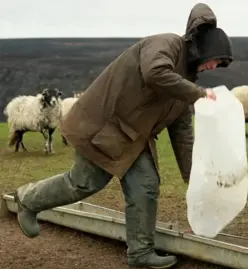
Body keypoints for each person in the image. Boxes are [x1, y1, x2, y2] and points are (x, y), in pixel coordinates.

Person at [10, 3, 233, 269]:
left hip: (132, 139)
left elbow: (182, 136)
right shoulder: (167, 44)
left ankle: (140, 253)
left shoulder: (186, 87)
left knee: (145, 187)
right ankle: (27, 200)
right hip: (101, 124)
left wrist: (194, 182)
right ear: (206, 48)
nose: (213, 66)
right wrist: (197, 94)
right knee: (83, 183)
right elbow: (154, 73)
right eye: (215, 60)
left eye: (218, 65)